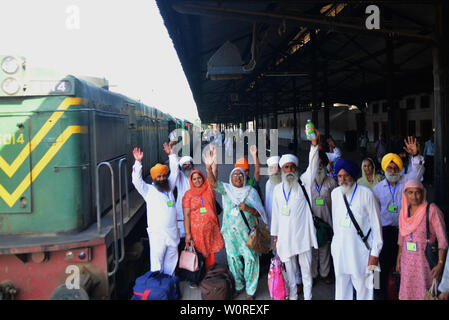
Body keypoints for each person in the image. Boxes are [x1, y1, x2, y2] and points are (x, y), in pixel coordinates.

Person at [204, 145, 267, 300]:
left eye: (241, 176)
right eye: (235, 176)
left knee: (251, 260)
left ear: (245, 178)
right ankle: (239, 286)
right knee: (233, 260)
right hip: (231, 234)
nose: (238, 178)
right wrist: (208, 166)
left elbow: (260, 213)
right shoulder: (226, 190)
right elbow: (212, 183)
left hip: (247, 234)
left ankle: (251, 291)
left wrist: (248, 208)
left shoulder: (251, 192)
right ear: (231, 178)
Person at [372, 136, 425, 300]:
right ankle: (377, 292)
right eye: (390, 168)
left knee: (403, 265)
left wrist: (415, 156)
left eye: (395, 168)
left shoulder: (406, 181)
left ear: (400, 169)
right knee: (379, 266)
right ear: (384, 169)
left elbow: (417, 172)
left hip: (404, 232)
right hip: (384, 232)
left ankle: (403, 293)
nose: (393, 171)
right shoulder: (377, 188)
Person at [271, 131, 320, 300]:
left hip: (303, 237)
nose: (290, 170)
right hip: (285, 238)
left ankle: (308, 297)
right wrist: (275, 237)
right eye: (286, 167)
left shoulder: (304, 183)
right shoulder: (277, 190)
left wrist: (314, 145)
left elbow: (313, 166)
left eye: (292, 167)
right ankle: (292, 297)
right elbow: (276, 216)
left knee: (306, 273)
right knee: (290, 274)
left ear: (296, 169)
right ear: (282, 170)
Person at [331, 159, 383, 300]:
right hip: (340, 252)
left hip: (360, 252)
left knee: (364, 289)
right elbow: (336, 224)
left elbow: (377, 227)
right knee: (341, 290)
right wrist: (334, 247)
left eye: (346, 175)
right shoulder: (335, 194)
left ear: (353, 176)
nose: (343, 180)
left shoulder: (366, 194)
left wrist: (375, 254)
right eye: (340, 176)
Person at [395, 180, 448, 300]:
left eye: (417, 192)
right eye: (410, 193)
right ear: (405, 194)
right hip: (407, 263)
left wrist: (440, 264)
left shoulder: (432, 210)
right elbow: (401, 238)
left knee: (425, 294)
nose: (414, 196)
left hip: (425, 264)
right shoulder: (404, 212)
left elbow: (442, 240)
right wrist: (398, 258)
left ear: (423, 193)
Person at [131, 147, 179, 275]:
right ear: (154, 178)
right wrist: (138, 162)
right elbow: (136, 181)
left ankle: (168, 287)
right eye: (159, 176)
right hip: (157, 234)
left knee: (172, 261)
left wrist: (171, 155)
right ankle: (158, 288)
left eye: (164, 175)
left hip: (172, 232)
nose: (162, 178)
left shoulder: (169, 187)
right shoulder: (148, 190)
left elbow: (175, 172)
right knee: (157, 262)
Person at [182, 170, 225, 287]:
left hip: (211, 229)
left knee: (210, 253)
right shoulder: (188, 195)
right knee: (198, 254)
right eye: (194, 179)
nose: (197, 181)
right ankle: (196, 278)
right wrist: (187, 233)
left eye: (199, 178)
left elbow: (214, 175)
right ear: (191, 181)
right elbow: (186, 215)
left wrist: (211, 164)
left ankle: (210, 276)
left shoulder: (209, 189)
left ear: (203, 178)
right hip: (196, 232)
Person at [311, 151, 338, 284]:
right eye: (317, 164)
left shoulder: (331, 182)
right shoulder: (307, 182)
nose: (319, 166)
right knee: (313, 249)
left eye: (321, 164)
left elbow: (337, 204)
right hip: (312, 223)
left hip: (327, 222)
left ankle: (325, 273)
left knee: (325, 249)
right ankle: (313, 274)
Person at [164, 142, 194, 246]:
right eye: (184, 165)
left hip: (195, 216)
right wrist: (171, 154)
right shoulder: (179, 177)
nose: (187, 166)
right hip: (180, 217)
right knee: (181, 244)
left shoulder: (196, 177)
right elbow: (174, 170)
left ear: (192, 165)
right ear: (181, 167)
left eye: (189, 164)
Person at [264, 156, 281, 229]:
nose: (275, 171)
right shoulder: (268, 183)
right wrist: (266, 221)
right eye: (272, 168)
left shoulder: (286, 182)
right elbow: (267, 203)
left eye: (277, 167)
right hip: (271, 218)